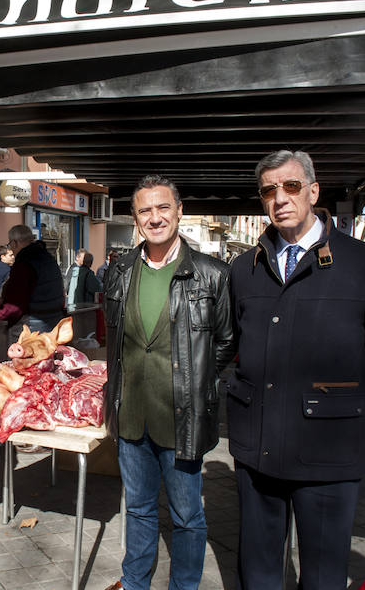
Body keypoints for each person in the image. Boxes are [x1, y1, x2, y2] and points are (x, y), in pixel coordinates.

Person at [228, 150, 365, 590]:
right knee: (259, 572)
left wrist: (336, 405)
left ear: (313, 191)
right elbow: (234, 342)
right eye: (269, 190)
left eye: (290, 186)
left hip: (327, 452)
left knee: (324, 577)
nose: (280, 198)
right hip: (259, 449)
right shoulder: (244, 268)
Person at [102, 175, 234, 590]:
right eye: (145, 210)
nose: (154, 218)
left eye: (163, 208)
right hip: (130, 419)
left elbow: (227, 341)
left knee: (187, 517)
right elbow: (117, 341)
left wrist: (194, 379)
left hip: (182, 420)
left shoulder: (212, 274)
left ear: (179, 211)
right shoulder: (119, 271)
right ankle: (135, 582)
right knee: (138, 510)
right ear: (135, 219)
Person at [0, 224, 66, 334]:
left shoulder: (24, 263)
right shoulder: (48, 257)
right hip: (55, 322)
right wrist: (5, 301)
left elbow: (15, 307)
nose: (12, 250)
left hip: (32, 328)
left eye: (10, 245)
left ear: (14, 243)